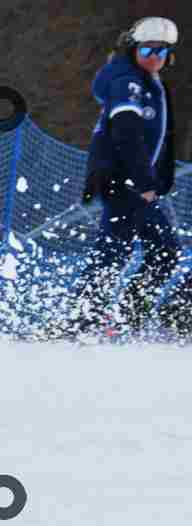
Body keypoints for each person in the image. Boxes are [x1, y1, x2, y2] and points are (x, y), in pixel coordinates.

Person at [72, 16, 181, 335]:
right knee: (115, 253)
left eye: (162, 51)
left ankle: (126, 316)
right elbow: (126, 132)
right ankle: (82, 320)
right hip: (123, 182)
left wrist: (158, 179)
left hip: (137, 184)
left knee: (164, 250)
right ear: (134, 49)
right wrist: (144, 181)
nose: (154, 57)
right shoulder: (127, 81)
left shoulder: (149, 83)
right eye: (148, 49)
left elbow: (158, 139)